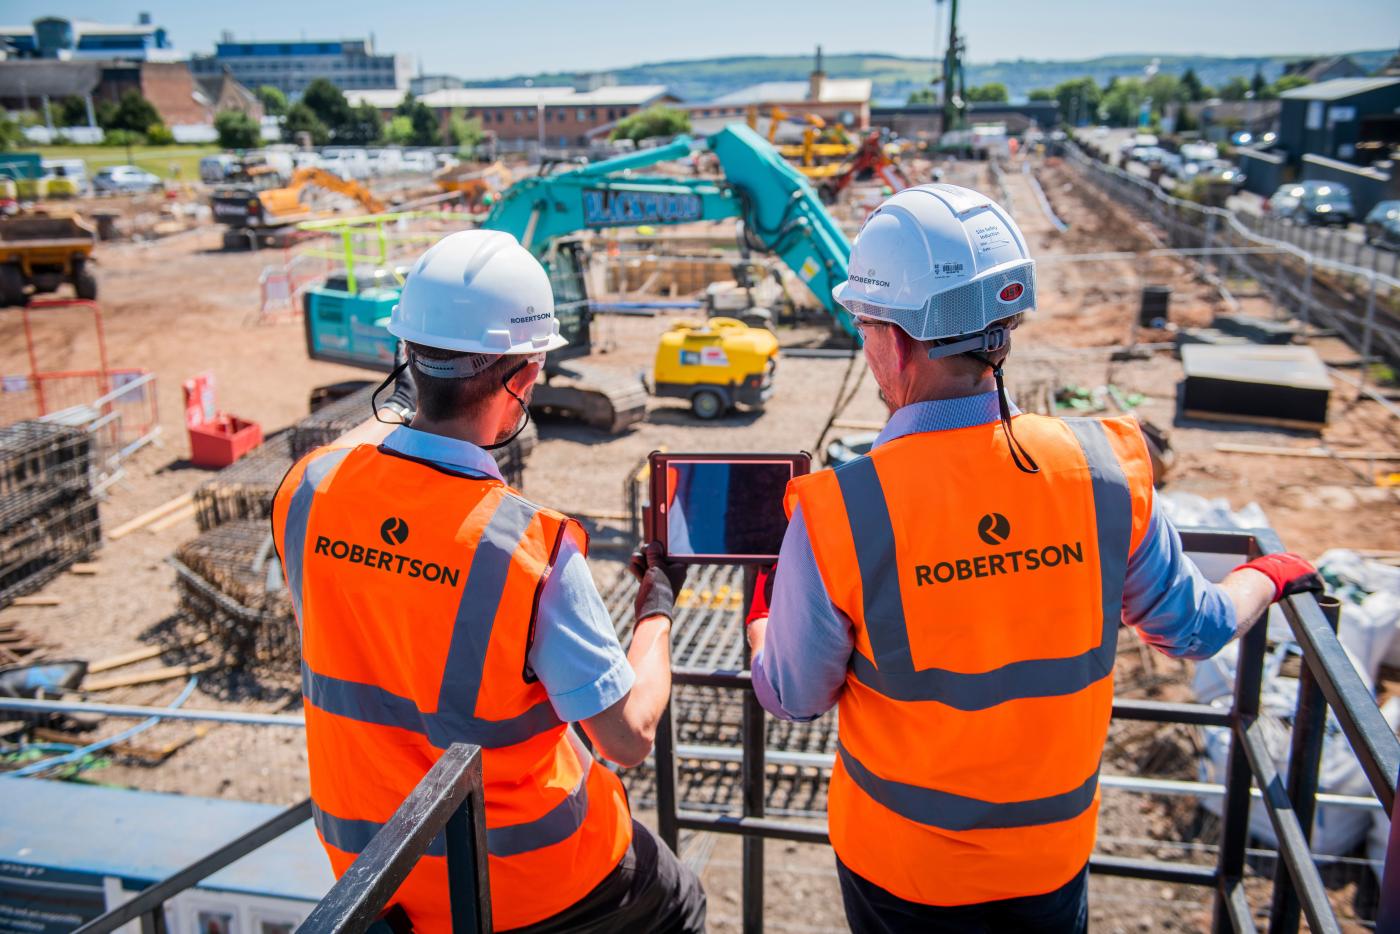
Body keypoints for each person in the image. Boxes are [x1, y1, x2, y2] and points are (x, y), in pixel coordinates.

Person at [744, 184, 1322, 933]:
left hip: (903, 869)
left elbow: (792, 695)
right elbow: (1194, 628)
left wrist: (763, 619)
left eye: (862, 323)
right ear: (1001, 329)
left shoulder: (839, 511)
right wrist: (1268, 573)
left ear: (895, 338)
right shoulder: (1105, 466)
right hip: (1048, 860)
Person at [272, 229, 706, 933]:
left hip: (375, 869)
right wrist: (656, 607)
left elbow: (360, 448)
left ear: (405, 355)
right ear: (526, 378)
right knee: (679, 900)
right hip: (528, 879)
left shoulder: (308, 491)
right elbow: (627, 737)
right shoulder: (526, 550)